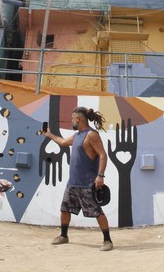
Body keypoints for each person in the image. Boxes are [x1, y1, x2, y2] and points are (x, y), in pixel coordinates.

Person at [43, 106, 113, 251]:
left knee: (97, 212)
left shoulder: (91, 135)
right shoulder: (77, 136)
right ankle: (64, 236)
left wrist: (100, 176)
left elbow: (102, 155)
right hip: (73, 183)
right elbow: (62, 142)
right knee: (65, 209)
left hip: (87, 183)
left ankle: (107, 241)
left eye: (72, 118)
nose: (71, 121)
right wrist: (49, 135)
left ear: (78, 119)